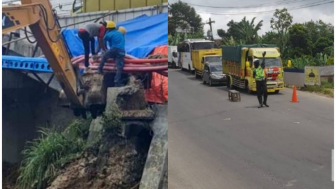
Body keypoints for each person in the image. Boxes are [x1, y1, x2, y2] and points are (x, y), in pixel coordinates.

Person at [98, 22, 126, 87]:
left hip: (114, 49)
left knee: (104, 57)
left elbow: (102, 40)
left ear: (108, 28)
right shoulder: (120, 33)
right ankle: (117, 82)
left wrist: (105, 49)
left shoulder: (109, 34)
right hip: (121, 51)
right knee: (119, 67)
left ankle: (99, 70)